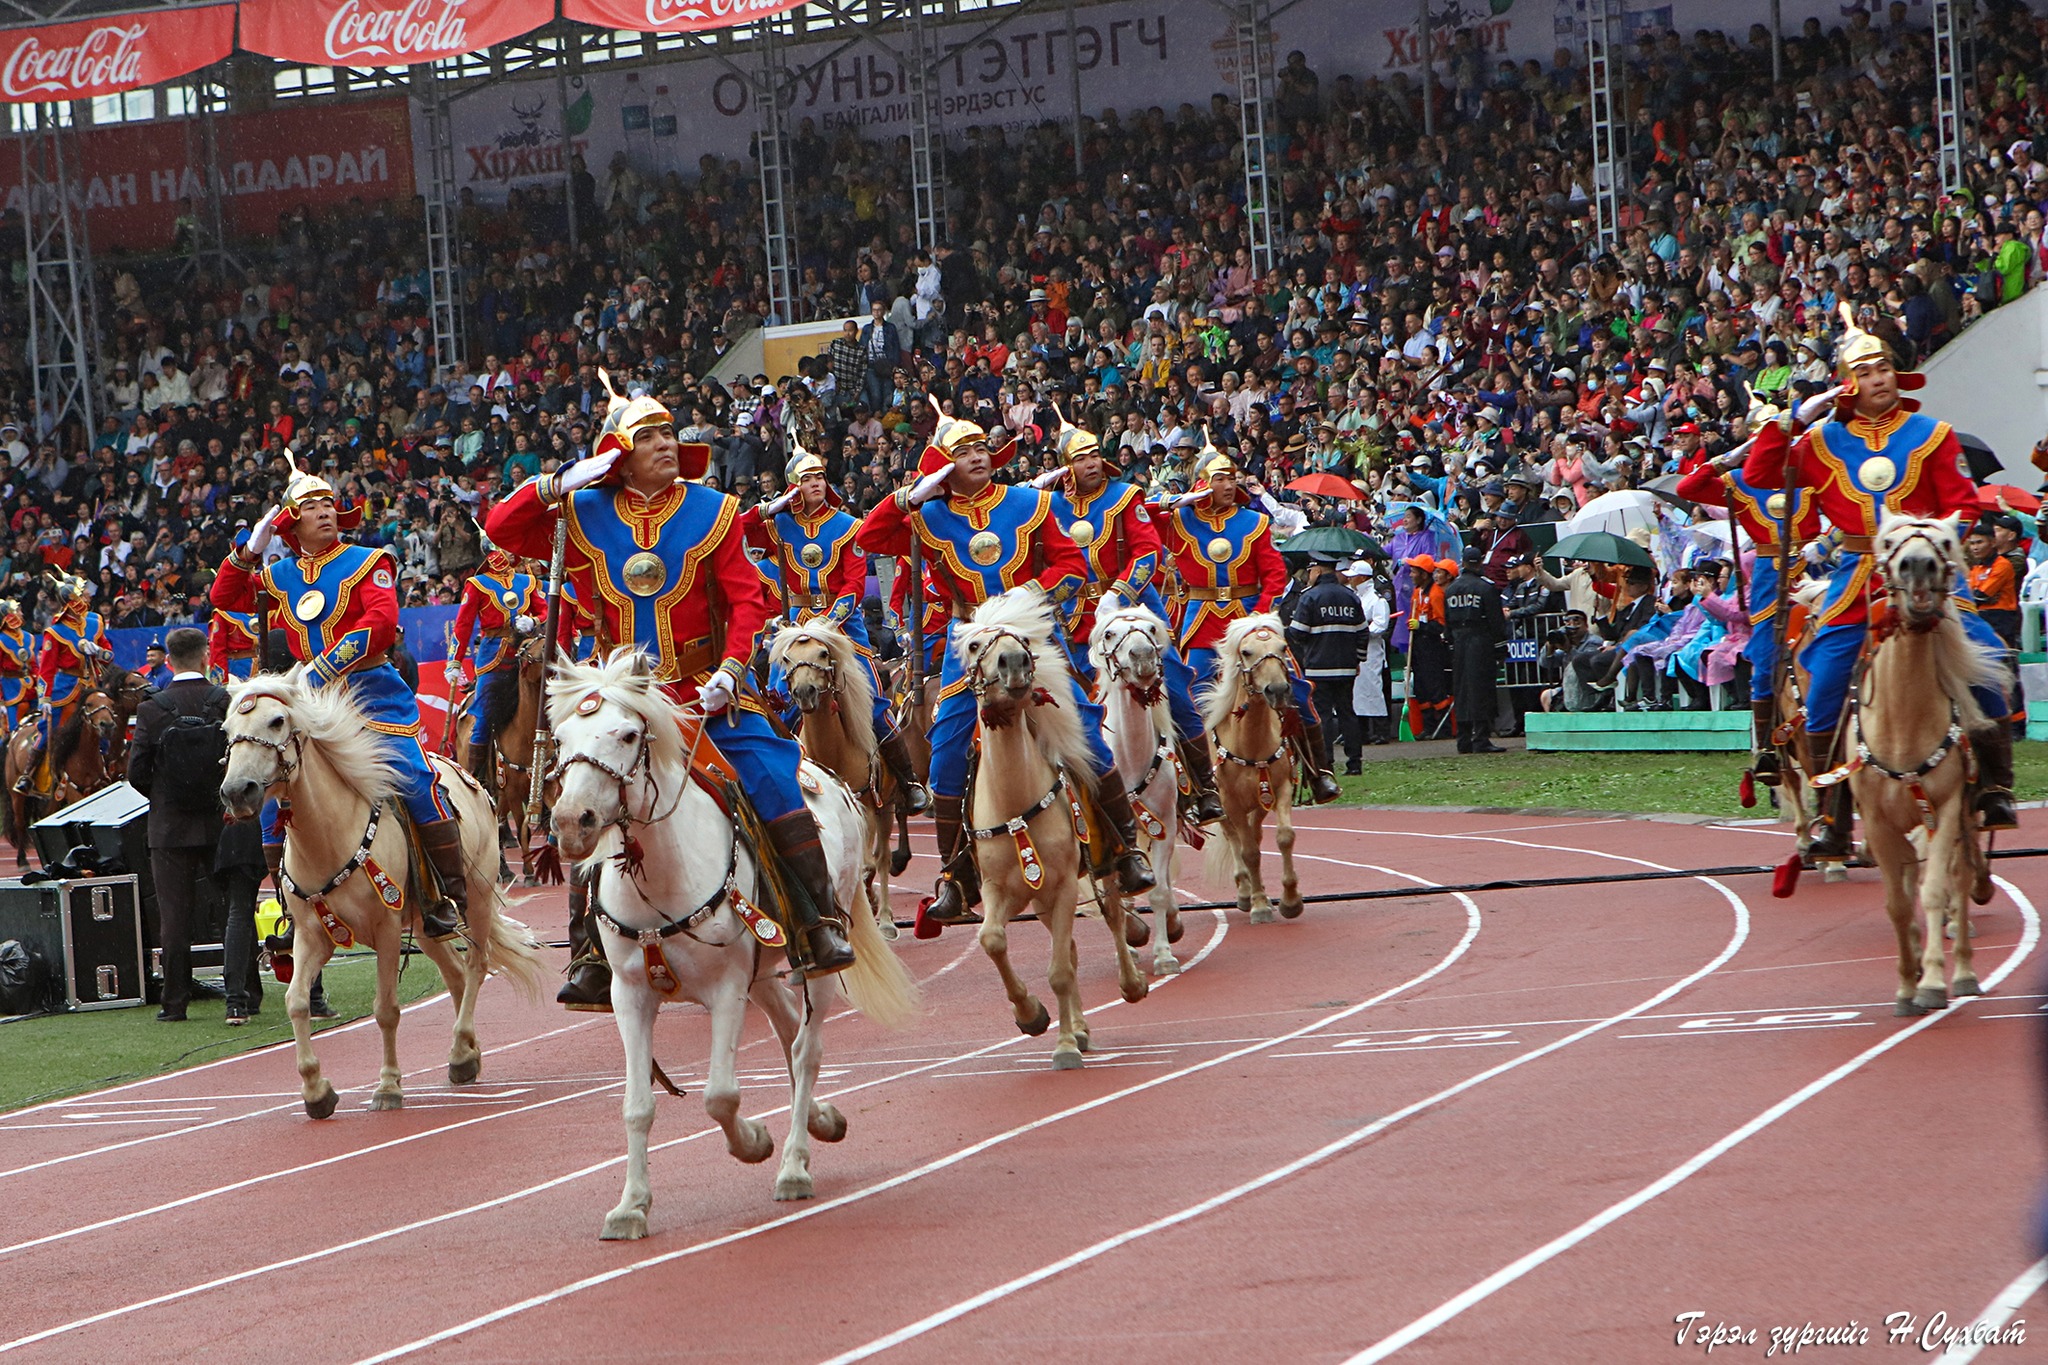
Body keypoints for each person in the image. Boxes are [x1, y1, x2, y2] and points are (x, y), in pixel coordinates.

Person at [488, 371, 857, 1006]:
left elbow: (747, 602)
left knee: (770, 772)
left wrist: (731, 673)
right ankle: (589, 954)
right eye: (649, 435)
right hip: (620, 698)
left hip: (701, 688)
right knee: (586, 796)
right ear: (618, 453)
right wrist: (559, 482)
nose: (665, 442)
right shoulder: (579, 512)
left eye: (668, 433)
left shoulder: (714, 510)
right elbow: (501, 527)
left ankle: (817, 921)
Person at [856, 408, 1158, 924]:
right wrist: (910, 494)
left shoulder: (1031, 501)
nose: (976, 457)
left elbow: (1070, 565)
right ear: (943, 467)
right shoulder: (925, 516)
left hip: (1029, 632)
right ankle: (953, 876)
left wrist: (1024, 599)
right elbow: (868, 538)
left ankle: (1125, 850)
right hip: (967, 641)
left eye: (981, 450)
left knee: (1085, 724)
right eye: (962, 453)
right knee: (948, 741)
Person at [1744, 319, 2017, 859]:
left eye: (1885, 368)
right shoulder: (1822, 441)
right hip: (1857, 578)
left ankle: (1994, 786)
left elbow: (1964, 502)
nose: (1879, 379)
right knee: (1822, 687)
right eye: (1864, 372)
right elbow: (1760, 470)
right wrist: (1795, 417)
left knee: (1989, 658)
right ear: (1846, 384)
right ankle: (1832, 817)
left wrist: (1937, 540)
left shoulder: (1934, 435)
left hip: (1929, 573)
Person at [211, 462, 467, 942]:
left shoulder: (371, 560)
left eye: (328, 503)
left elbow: (382, 623)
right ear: (291, 524)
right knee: (271, 796)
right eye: (310, 507)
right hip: (311, 702)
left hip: (370, 692)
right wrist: (251, 549)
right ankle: (292, 907)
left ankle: (446, 895)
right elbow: (223, 595)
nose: (325, 511)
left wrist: (321, 668)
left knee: (414, 778)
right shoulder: (280, 574)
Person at [1035, 413, 1223, 821]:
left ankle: (1205, 786)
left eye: (1095, 456)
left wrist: (1118, 594)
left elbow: (1147, 553)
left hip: (1132, 608)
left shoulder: (1126, 496)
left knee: (1172, 686)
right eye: (1081, 458)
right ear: (1066, 466)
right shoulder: (1046, 505)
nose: (1091, 464)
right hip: (1074, 617)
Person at [739, 440, 929, 812]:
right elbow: (739, 533)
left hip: (843, 630)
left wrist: (827, 623)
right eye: (808, 479)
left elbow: (855, 585)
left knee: (874, 703)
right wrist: (766, 509)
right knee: (778, 704)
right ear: (794, 485)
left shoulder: (847, 526)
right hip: (793, 631)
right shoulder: (778, 525)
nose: (817, 484)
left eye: (821, 478)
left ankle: (906, 782)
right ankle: (770, 781)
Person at [1152, 443, 1342, 802]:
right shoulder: (1179, 520)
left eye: (1231, 479)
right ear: (1203, 482)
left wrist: (1262, 615)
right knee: (1186, 695)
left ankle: (1320, 772)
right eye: (1219, 479)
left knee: (1295, 689)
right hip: (1201, 622)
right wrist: (1173, 503)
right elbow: (1140, 516)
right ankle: (1194, 784)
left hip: (1250, 620)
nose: (1227, 485)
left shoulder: (1254, 521)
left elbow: (1272, 575)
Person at [1679, 422, 1821, 785]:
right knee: (1764, 655)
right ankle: (1768, 748)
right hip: (1769, 576)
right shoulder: (1740, 481)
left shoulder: (1815, 472)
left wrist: (1830, 543)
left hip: (1817, 564)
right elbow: (1688, 487)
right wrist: (1727, 459)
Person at [126, 627, 227, 1022]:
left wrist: (166, 798)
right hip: (220, 819)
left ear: (168, 661)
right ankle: (243, 994)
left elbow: (137, 772)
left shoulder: (152, 707)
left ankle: (175, 1003)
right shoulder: (223, 699)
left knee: (174, 917)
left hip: (168, 828)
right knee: (233, 908)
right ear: (205, 655)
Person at [450, 539, 545, 784]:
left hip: (530, 651)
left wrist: (534, 621)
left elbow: (545, 610)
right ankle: (477, 779)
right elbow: (463, 626)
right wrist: (454, 661)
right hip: (495, 658)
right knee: (482, 715)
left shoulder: (527, 580)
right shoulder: (477, 584)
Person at [15, 573, 111, 797]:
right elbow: (46, 669)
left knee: (108, 719)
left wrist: (98, 651)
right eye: (82, 594)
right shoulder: (54, 632)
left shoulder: (95, 621)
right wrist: (44, 699)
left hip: (92, 684)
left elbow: (109, 654)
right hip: (66, 687)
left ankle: (110, 765)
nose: (87, 598)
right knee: (50, 728)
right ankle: (28, 773)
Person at [1285, 552, 1366, 775]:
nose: (1308, 575)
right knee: (1348, 713)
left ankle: (1326, 762)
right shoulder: (1351, 596)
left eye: (1310, 571)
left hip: (1318, 667)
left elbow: (1297, 632)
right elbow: (1362, 631)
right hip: (1347, 667)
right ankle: (1355, 762)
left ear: (1318, 571)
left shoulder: (1309, 597)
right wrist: (1358, 658)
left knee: (1323, 716)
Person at [1443, 547, 1509, 753]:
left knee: (1461, 690)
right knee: (1482, 689)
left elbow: (1447, 622)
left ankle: (1463, 740)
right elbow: (1495, 622)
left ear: (1463, 562)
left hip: (1458, 641)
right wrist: (1500, 648)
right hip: (1480, 641)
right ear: (1480, 562)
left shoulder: (1451, 589)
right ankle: (1481, 738)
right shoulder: (1486, 588)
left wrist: (1452, 645)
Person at [0, 600, 36, 735]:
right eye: (17, 611)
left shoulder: (28, 637)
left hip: (31, 686)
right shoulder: (1, 640)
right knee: (11, 729)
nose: (21, 613)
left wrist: (40, 685)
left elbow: (34, 665)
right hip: (10, 688)